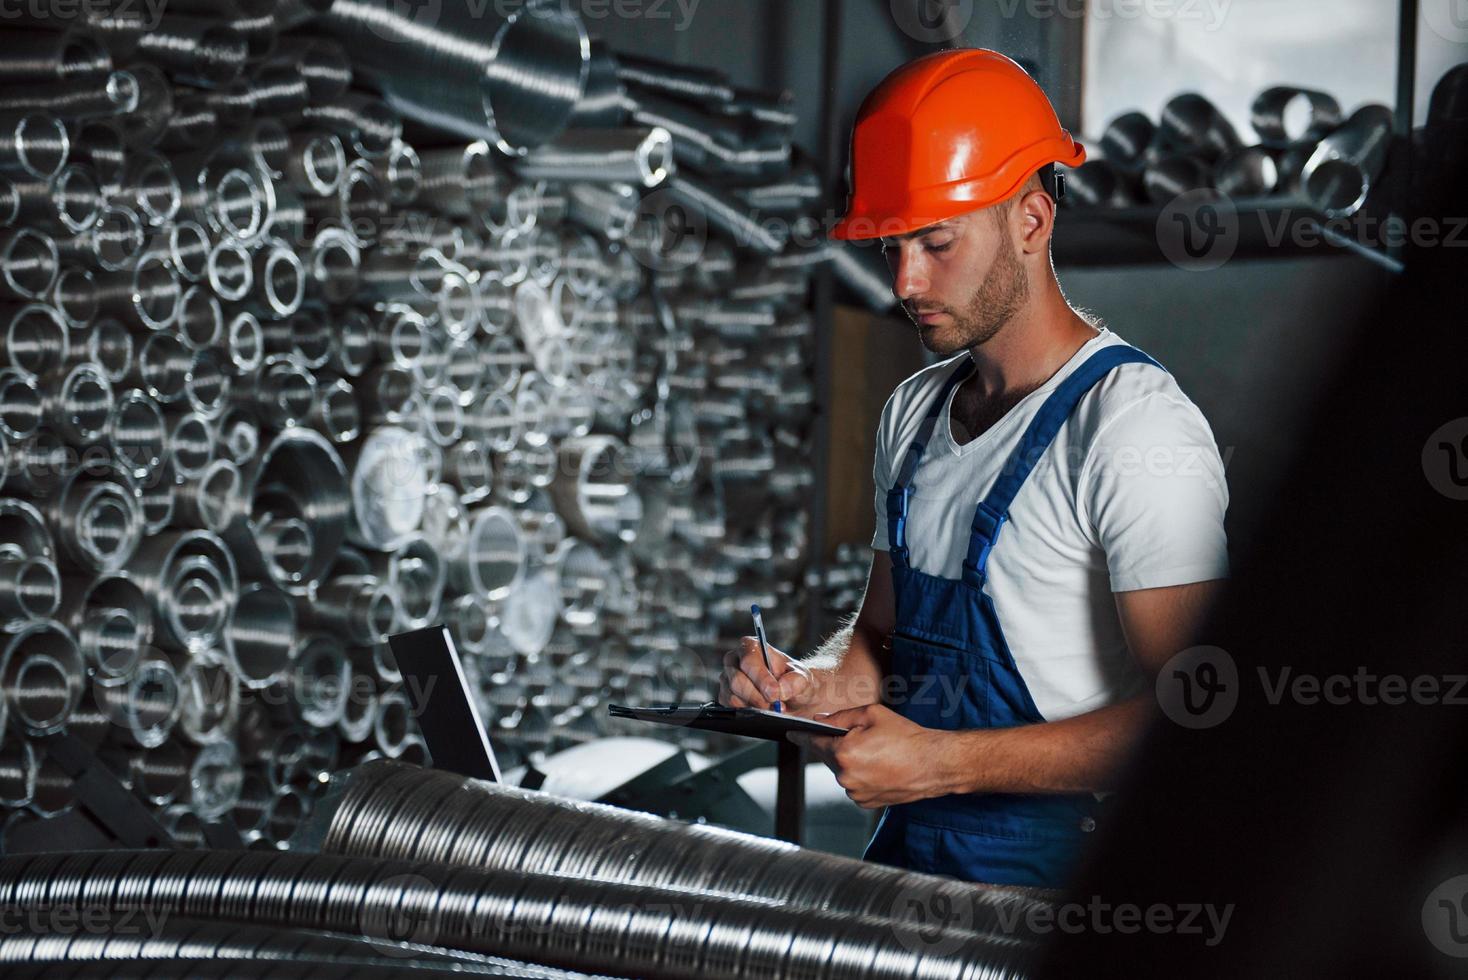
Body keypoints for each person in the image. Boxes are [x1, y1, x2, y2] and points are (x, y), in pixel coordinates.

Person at [717, 48, 1231, 888]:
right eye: (890, 246)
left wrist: (944, 763)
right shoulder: (912, 413)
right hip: (912, 874)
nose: (906, 282)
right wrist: (806, 690)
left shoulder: (1133, 426)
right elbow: (879, 646)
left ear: (1031, 221)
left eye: (936, 241)